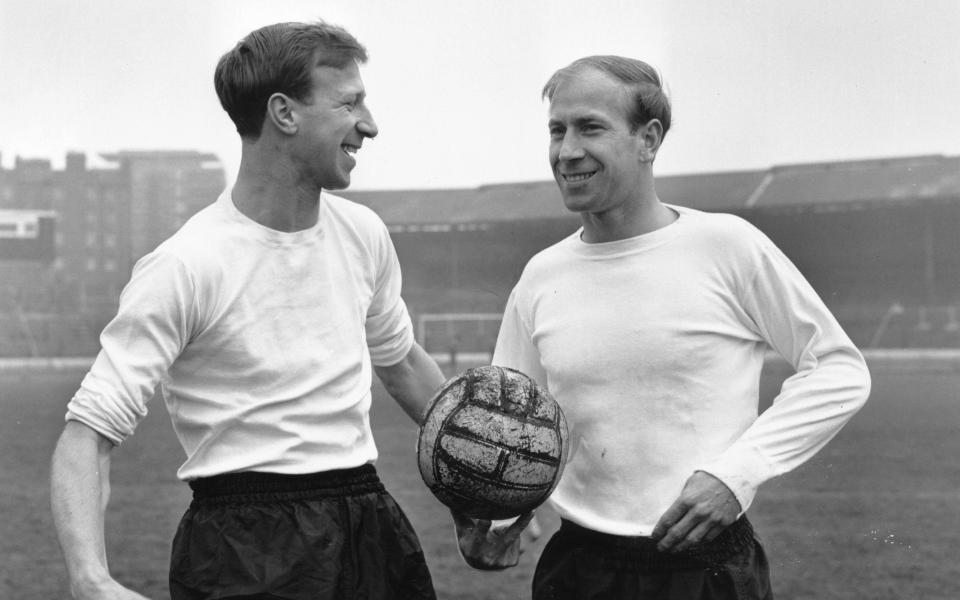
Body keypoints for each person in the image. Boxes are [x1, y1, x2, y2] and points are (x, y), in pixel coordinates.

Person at [50, 21, 446, 600]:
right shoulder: (186, 264)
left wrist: (478, 483)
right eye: (349, 103)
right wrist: (90, 579)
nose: (369, 124)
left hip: (370, 523)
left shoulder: (363, 234)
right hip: (244, 545)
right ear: (284, 113)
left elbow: (403, 363)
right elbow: (87, 435)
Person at [456, 55, 872, 599]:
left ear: (648, 139)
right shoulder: (541, 275)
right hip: (579, 569)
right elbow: (512, 418)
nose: (567, 150)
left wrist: (737, 473)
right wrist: (493, 514)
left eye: (591, 128)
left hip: (705, 568)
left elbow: (839, 369)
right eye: (557, 130)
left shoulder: (726, 246)